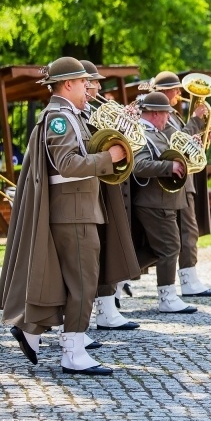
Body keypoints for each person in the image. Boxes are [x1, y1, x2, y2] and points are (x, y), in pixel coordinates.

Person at [0, 56, 138, 376]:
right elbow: (68, 165)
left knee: (68, 282)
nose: (88, 87)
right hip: (73, 211)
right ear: (68, 83)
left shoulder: (69, 115)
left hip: (78, 209)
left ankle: (32, 331)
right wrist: (110, 157)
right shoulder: (59, 118)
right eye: (83, 82)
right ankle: (73, 353)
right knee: (84, 283)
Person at [79, 59, 140, 332]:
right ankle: (97, 313)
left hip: (107, 184)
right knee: (100, 248)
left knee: (111, 246)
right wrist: (118, 125)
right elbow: (96, 145)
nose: (99, 87)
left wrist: (125, 124)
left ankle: (106, 308)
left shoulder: (93, 110)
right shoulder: (81, 114)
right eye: (94, 82)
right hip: (95, 185)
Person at [149, 71, 211, 297]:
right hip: (173, 180)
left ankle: (189, 277)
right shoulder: (161, 116)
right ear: (163, 92)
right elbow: (175, 143)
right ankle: (187, 280)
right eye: (175, 89)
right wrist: (196, 120)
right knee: (186, 231)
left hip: (183, 178)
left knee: (189, 230)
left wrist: (201, 134)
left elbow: (184, 140)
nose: (179, 93)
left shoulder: (173, 115)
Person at [131, 91, 198, 314]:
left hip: (161, 200)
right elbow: (139, 166)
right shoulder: (142, 133)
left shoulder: (155, 132)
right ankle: (167, 297)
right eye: (165, 114)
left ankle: (113, 281)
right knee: (170, 247)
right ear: (156, 113)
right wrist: (169, 168)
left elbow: (168, 152)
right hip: (154, 201)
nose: (168, 119)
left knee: (154, 249)